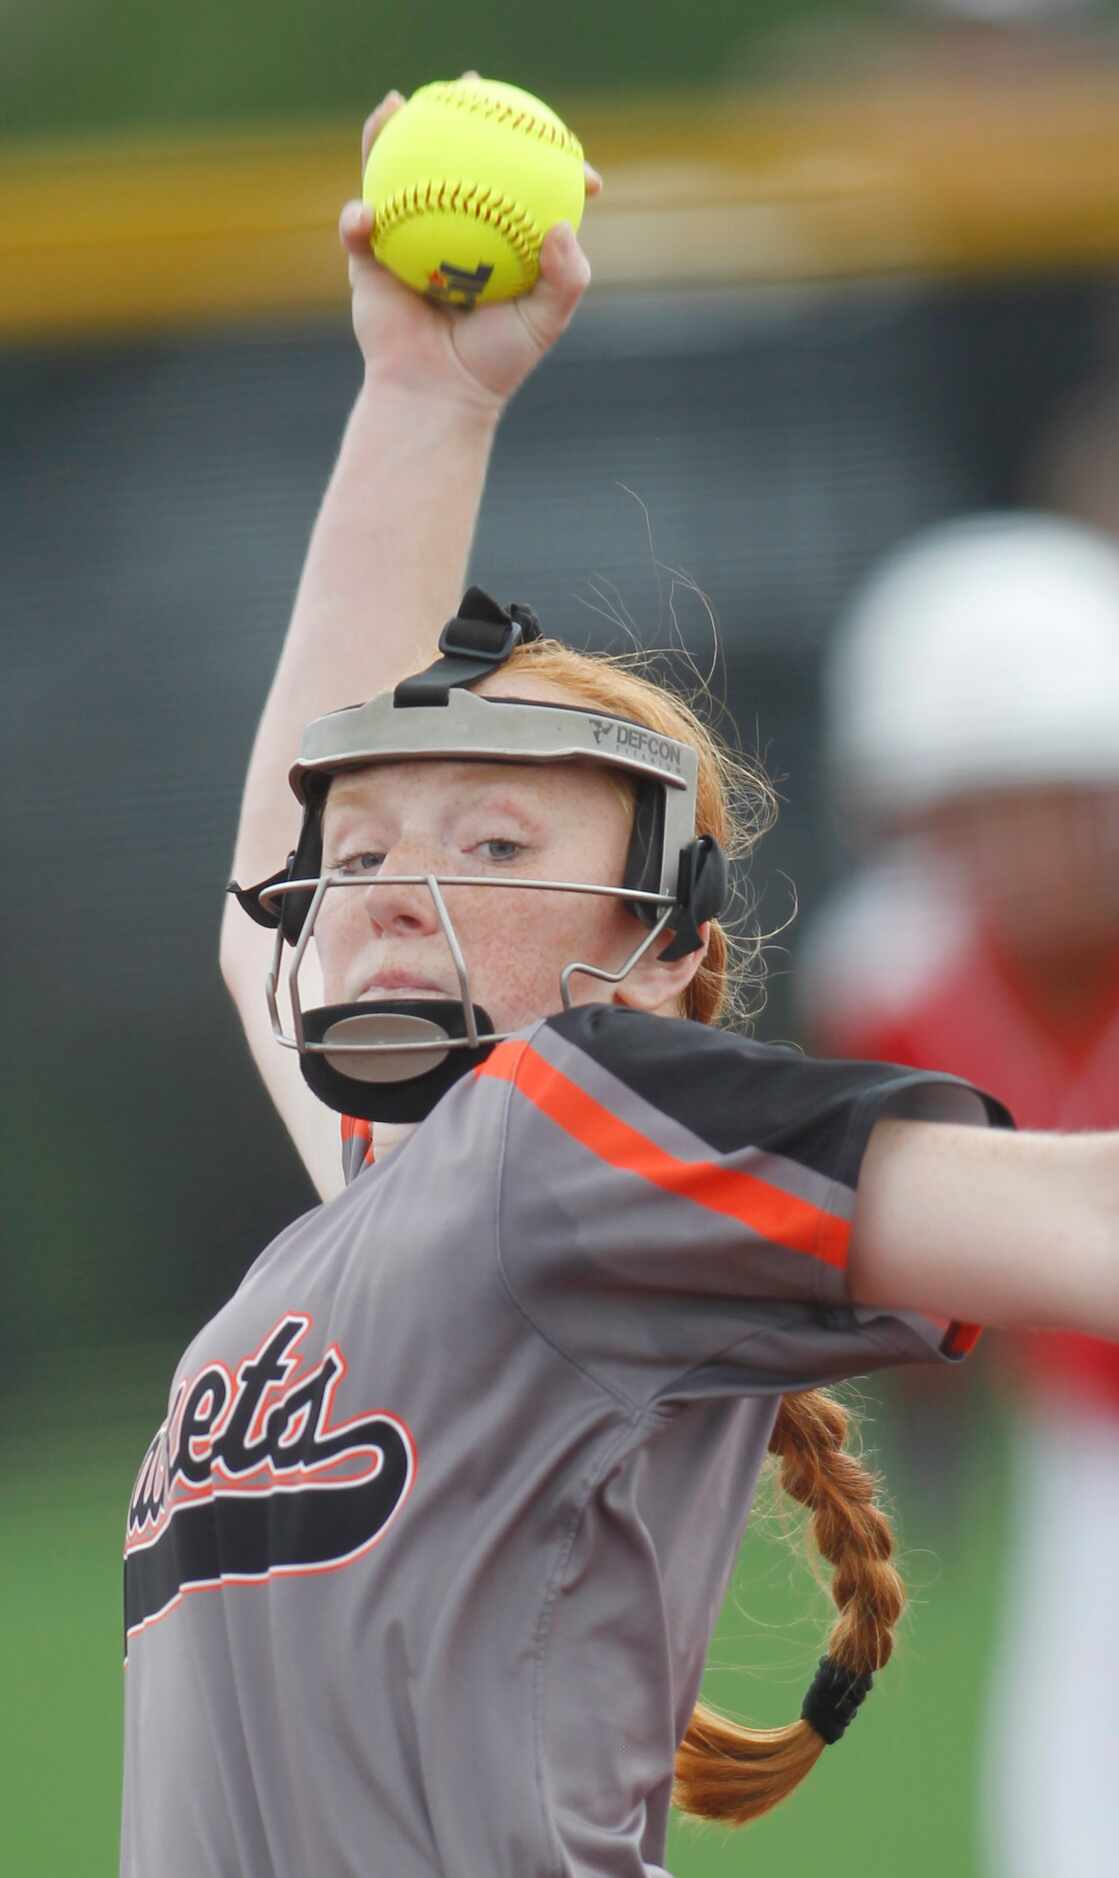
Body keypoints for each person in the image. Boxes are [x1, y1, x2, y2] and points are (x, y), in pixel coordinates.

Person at [120, 92, 1119, 1878]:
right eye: (361, 856)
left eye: (493, 847)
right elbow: (261, 901)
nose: (397, 885)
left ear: (662, 967)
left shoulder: (581, 1128)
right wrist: (423, 399)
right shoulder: (396, 1201)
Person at [798, 510, 1119, 1878]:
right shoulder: (890, 977)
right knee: (1069, 1826)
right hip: (1089, 1453)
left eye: (1037, 793)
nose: (997, 844)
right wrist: (928, 1417)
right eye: (954, 807)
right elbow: (909, 1234)